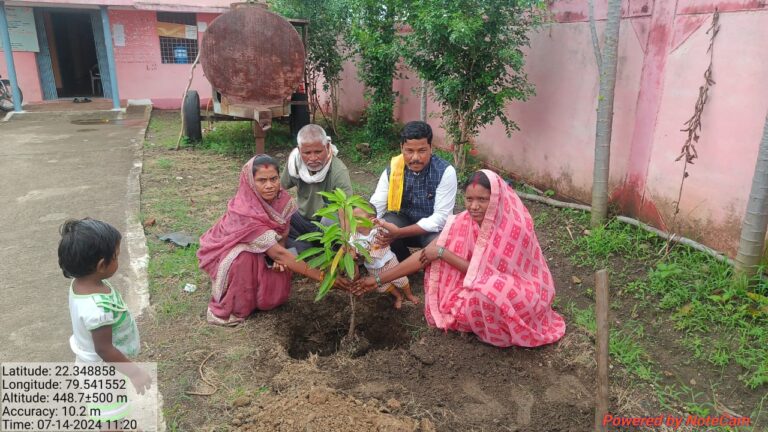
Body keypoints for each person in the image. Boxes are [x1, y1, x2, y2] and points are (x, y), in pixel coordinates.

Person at [354, 170, 566, 348]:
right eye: (469, 199)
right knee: (475, 289)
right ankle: (483, 325)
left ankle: (499, 333)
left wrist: (443, 253)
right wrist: (379, 279)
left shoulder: (514, 228)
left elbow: (486, 274)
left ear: (497, 199)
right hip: (479, 286)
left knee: (489, 291)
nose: (474, 206)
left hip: (519, 291)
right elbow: (424, 255)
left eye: (482, 199)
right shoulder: (462, 222)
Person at [198, 155, 350, 326]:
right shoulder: (245, 210)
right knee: (244, 258)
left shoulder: (283, 201)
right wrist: (324, 277)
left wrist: (279, 253)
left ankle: (259, 297)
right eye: (261, 180)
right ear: (249, 182)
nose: (269, 186)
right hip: (229, 251)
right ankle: (238, 303)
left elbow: (282, 239)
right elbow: (279, 253)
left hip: (268, 248)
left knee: (283, 263)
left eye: (274, 179)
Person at [58, 218, 152, 388]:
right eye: (116, 256)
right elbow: (104, 350)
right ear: (101, 265)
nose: (118, 259)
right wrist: (136, 373)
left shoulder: (80, 284)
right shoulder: (98, 311)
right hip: (102, 375)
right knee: (109, 414)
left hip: (95, 366)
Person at [369, 121, 457, 262]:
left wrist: (399, 233)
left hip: (428, 231)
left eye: (422, 151)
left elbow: (441, 218)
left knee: (439, 243)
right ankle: (402, 261)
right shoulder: (393, 169)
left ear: (431, 148)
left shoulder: (445, 171)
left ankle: (422, 265)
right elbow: (377, 204)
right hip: (401, 223)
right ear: (401, 148)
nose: (415, 157)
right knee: (384, 227)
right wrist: (367, 226)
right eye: (409, 151)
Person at [281, 124, 353, 253]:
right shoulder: (294, 163)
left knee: (330, 218)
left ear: (327, 147)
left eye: (318, 152)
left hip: (325, 225)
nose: (313, 158)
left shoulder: (338, 171)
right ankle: (305, 248)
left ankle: (323, 249)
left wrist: (346, 241)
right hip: (303, 218)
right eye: (307, 153)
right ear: (299, 150)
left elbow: (346, 208)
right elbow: (280, 188)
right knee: (282, 215)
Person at [350, 206, 419, 309]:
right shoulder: (354, 236)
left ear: (371, 219)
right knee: (383, 286)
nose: (353, 221)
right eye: (351, 218)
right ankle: (398, 296)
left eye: (357, 218)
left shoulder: (378, 228)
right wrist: (353, 257)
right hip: (372, 268)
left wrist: (383, 223)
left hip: (389, 261)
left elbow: (395, 230)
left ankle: (409, 295)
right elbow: (352, 251)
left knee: (401, 280)